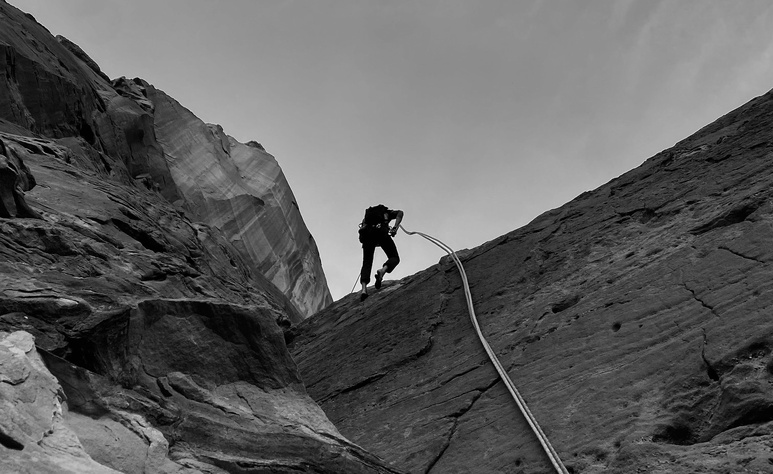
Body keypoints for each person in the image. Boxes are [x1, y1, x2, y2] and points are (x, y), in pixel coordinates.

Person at [358, 204, 404, 301]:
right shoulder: (386, 213)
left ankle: (364, 290)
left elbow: (362, 229)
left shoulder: (367, 218)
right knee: (394, 257)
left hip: (368, 236)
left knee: (366, 263)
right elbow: (400, 213)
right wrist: (395, 227)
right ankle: (382, 271)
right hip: (381, 234)